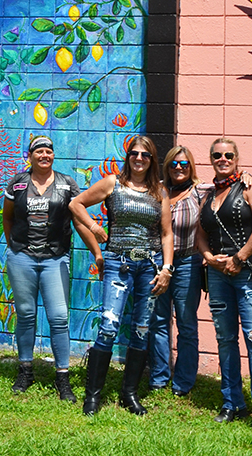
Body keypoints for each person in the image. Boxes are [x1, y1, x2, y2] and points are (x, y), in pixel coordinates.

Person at [69, 135, 174, 416]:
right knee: (108, 327)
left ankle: (130, 394)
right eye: (134, 153)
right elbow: (76, 204)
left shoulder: (159, 192)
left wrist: (167, 268)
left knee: (141, 330)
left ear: (152, 160)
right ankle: (92, 397)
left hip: (150, 267)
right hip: (118, 263)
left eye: (146, 155)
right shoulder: (113, 183)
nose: (139, 159)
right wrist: (94, 226)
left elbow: (166, 233)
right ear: (128, 156)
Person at [2, 135, 100, 403]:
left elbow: (78, 219)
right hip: (22, 257)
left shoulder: (67, 185)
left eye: (49, 151)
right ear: (30, 156)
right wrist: (14, 248)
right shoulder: (17, 183)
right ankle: (25, 371)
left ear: (53, 155)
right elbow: (7, 217)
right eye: (39, 151)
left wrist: (95, 244)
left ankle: (63, 378)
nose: (44, 155)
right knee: (25, 314)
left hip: (55, 259)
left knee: (58, 317)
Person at [195, 138, 252, 435]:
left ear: (237, 158)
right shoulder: (207, 195)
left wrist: (239, 258)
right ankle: (231, 403)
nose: (223, 159)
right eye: (217, 155)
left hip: (250, 272)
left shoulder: (250, 187)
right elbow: (200, 235)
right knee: (225, 340)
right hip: (218, 276)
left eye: (228, 154)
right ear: (211, 159)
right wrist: (208, 258)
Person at [148, 145, 207, 396]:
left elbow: (231, 184)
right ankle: (159, 376)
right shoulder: (157, 190)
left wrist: (246, 176)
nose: (179, 168)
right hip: (157, 264)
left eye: (184, 164)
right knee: (158, 321)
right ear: (167, 166)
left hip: (187, 264)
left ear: (191, 166)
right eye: (174, 164)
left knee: (186, 323)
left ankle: (183, 381)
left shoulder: (201, 191)